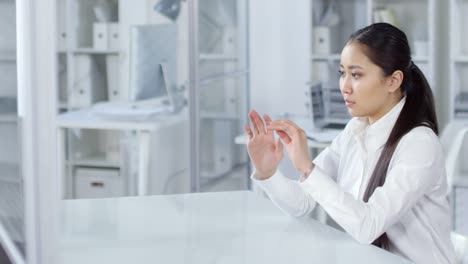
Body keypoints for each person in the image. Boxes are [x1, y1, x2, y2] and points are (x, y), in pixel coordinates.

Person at [244, 23, 456, 264]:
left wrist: (307, 168)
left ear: (393, 81)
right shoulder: (355, 131)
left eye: (356, 75)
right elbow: (302, 204)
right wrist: (267, 171)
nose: (344, 87)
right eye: (342, 73)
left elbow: (368, 226)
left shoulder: (418, 144)